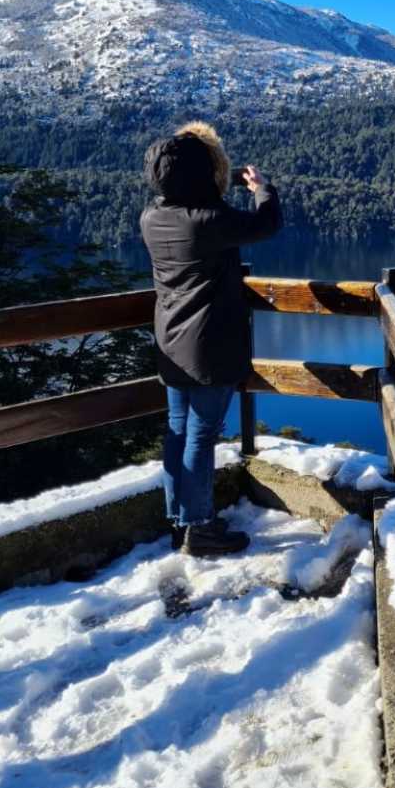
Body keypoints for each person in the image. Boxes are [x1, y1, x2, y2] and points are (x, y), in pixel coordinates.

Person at [140, 122, 283, 557]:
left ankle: (178, 521)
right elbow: (266, 223)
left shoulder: (153, 217)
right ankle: (200, 527)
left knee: (178, 434)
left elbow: (201, 210)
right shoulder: (210, 221)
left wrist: (216, 185)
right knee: (200, 438)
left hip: (171, 344)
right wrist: (262, 188)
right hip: (209, 347)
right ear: (205, 174)